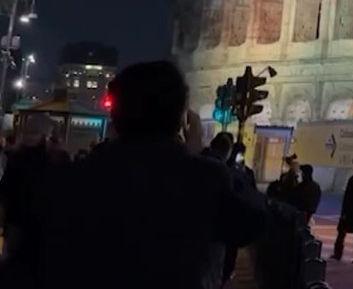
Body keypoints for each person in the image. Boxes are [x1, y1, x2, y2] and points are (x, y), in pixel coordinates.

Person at [32, 60, 267, 289]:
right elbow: (252, 220)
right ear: (182, 118)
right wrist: (205, 153)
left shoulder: (73, 178)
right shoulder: (203, 179)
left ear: (116, 115)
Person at [0, 113, 57, 276]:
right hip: (40, 222)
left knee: (12, 264)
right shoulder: (53, 158)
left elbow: (5, 189)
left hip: (16, 220)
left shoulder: (15, 157)